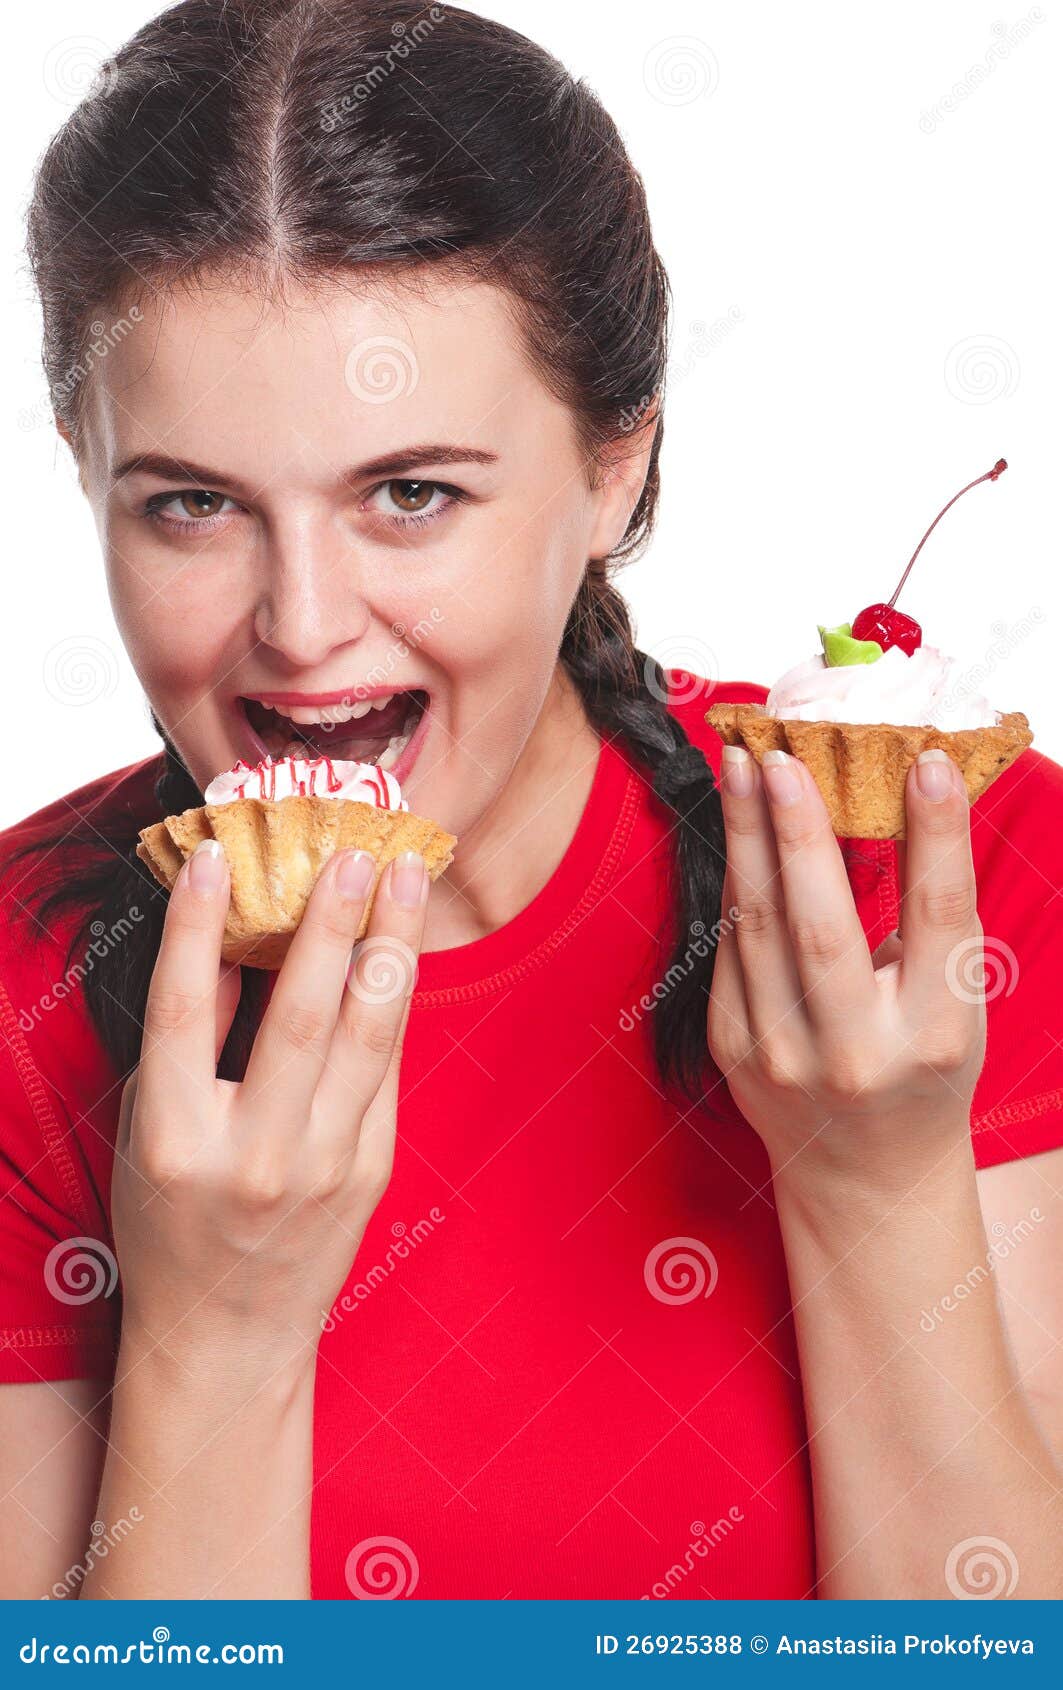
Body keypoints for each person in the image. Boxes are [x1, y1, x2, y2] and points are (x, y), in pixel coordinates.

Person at [1, 0, 1060, 1602]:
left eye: (411, 491)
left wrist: (876, 1185)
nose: (303, 625)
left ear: (615, 466)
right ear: (87, 473)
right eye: (194, 503)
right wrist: (215, 1335)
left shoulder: (945, 880)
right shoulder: (25, 1004)